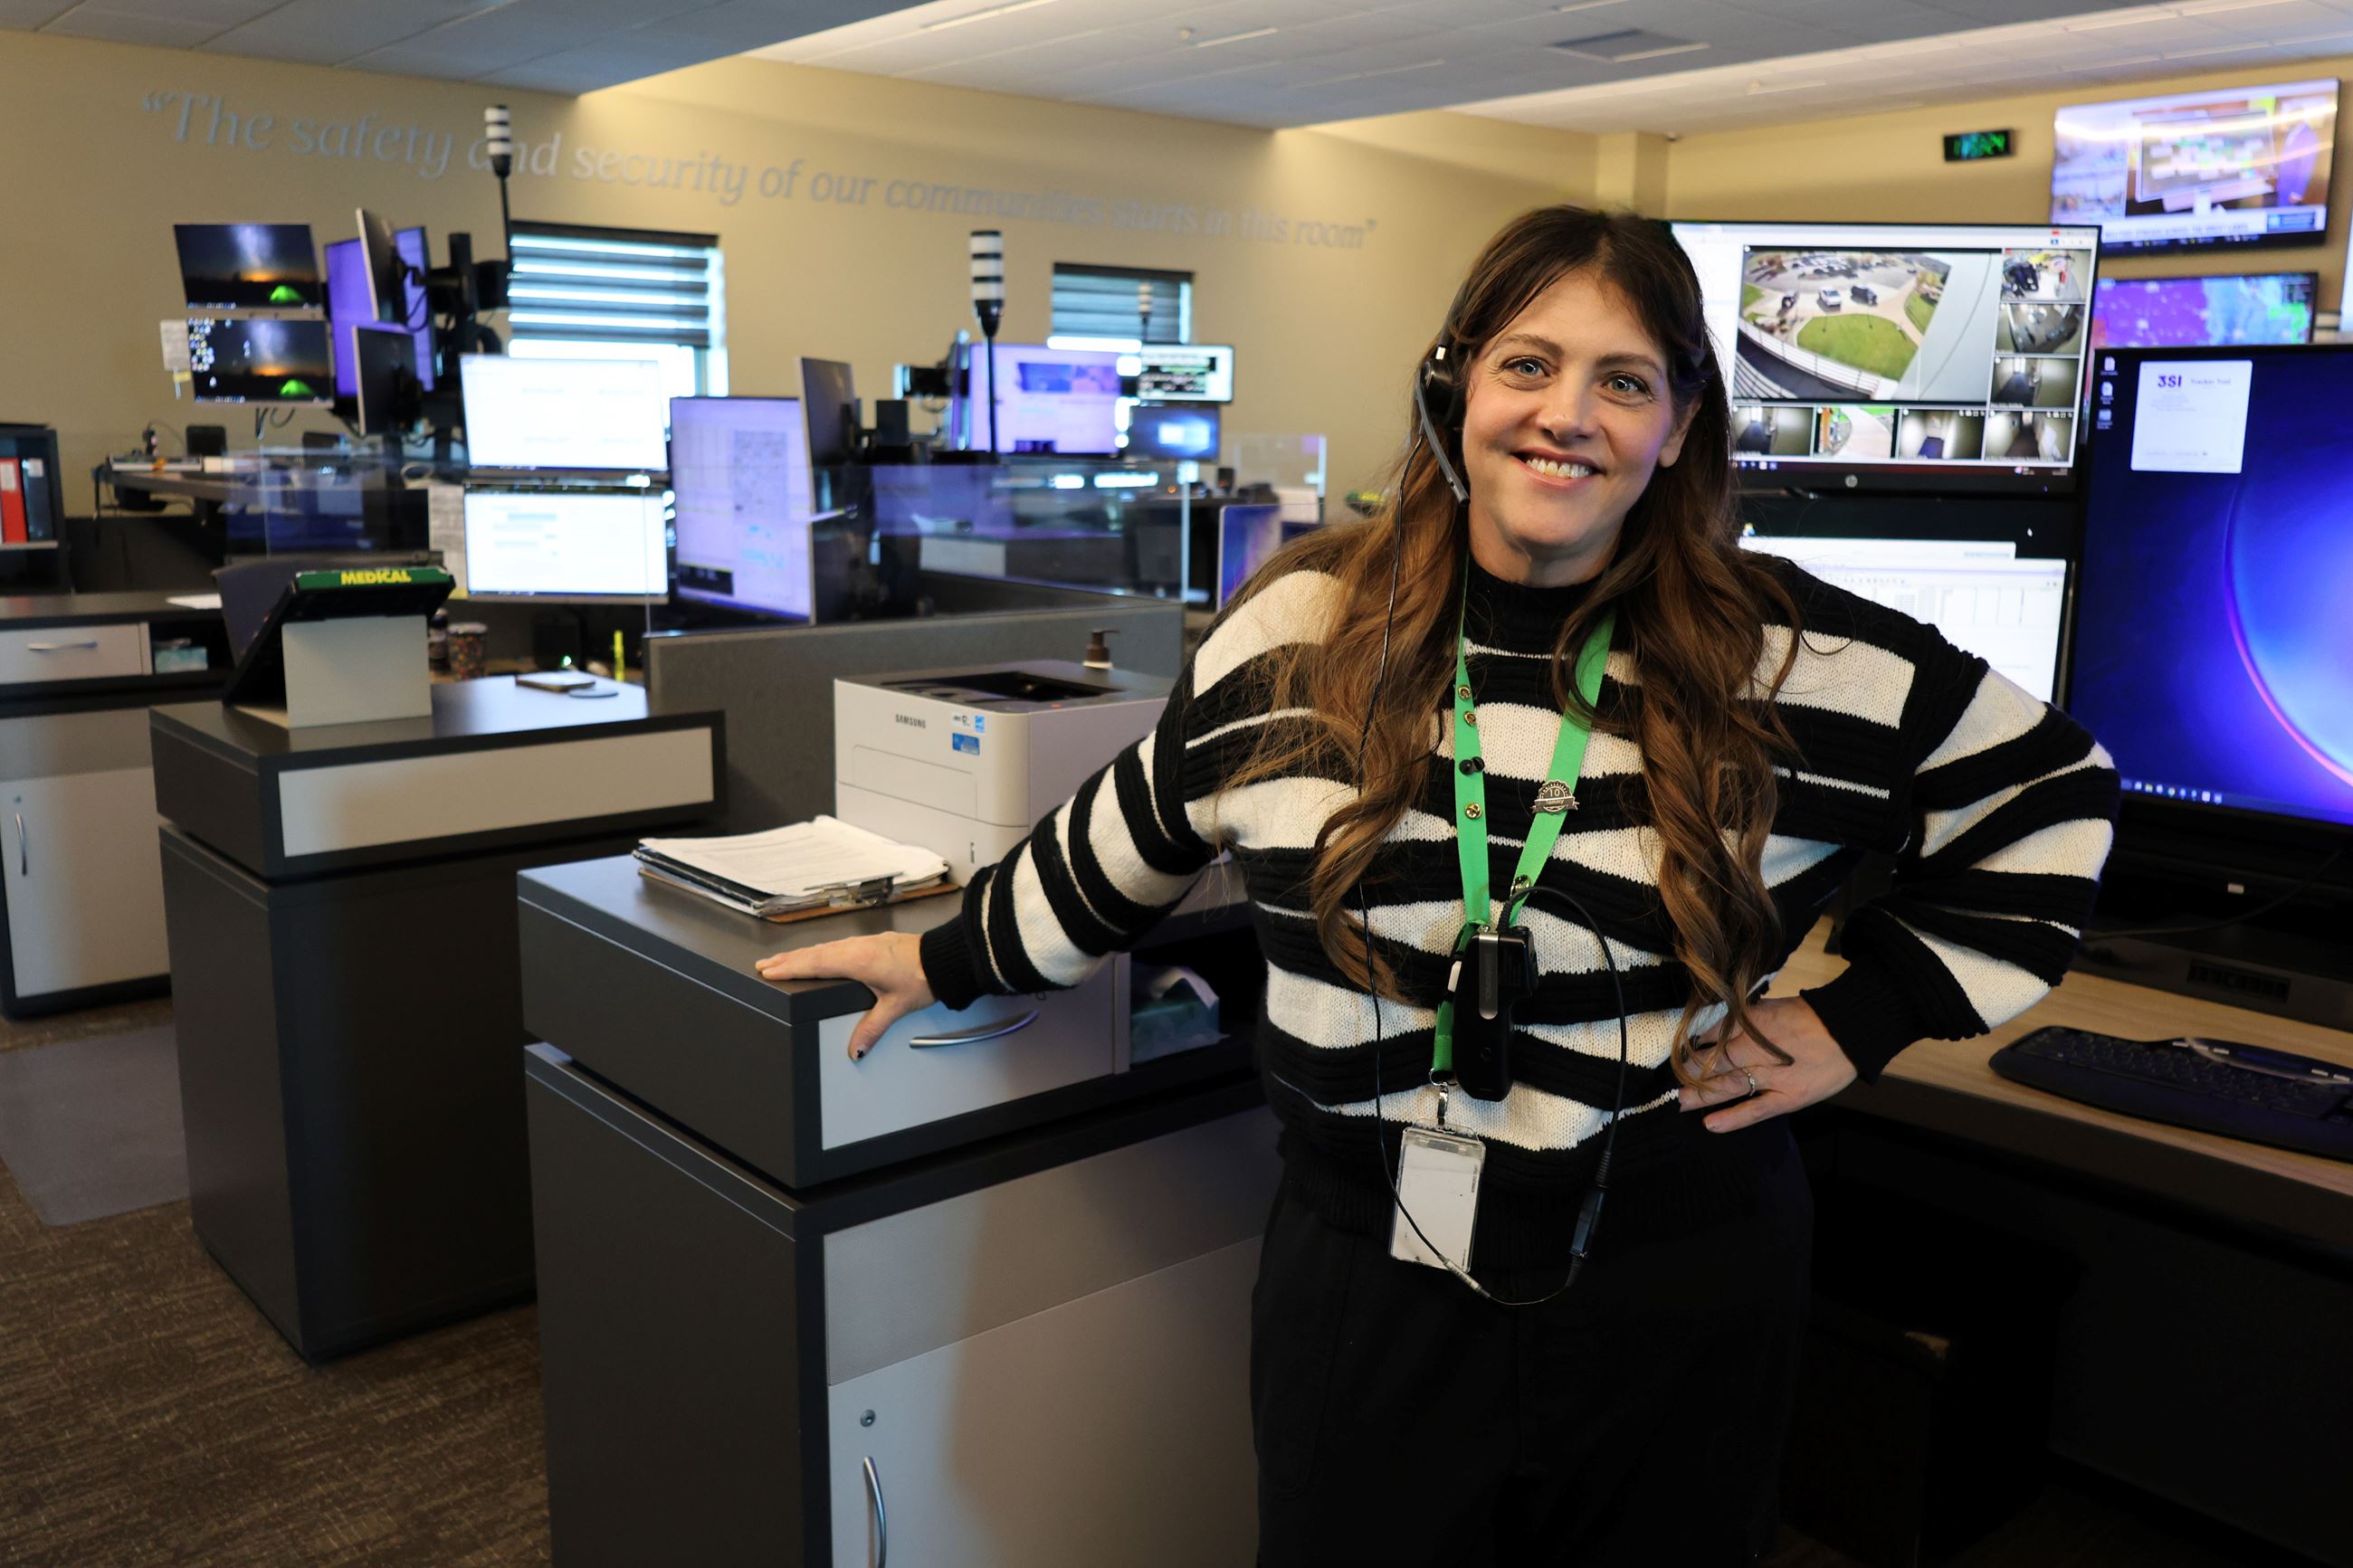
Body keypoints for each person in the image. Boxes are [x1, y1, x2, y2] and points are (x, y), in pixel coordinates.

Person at [757, 205, 2119, 1565]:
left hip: (1676, 1266)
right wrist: (936, 959)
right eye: (1527, 364)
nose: (1566, 415)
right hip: (1367, 1275)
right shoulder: (1298, 631)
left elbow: (2055, 798)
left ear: (1680, 426)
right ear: (1453, 384)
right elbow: (1123, 840)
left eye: (1623, 380)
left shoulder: (1796, 657)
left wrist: (1856, 1020)